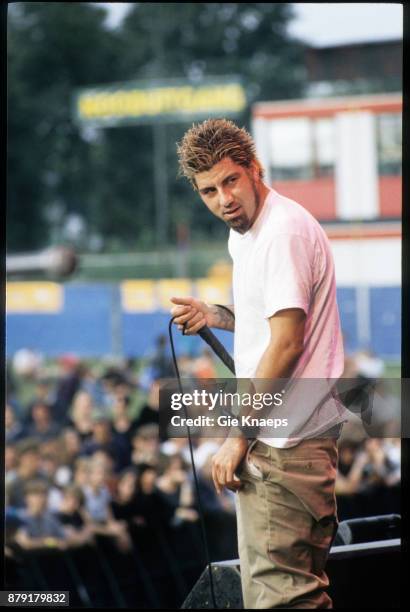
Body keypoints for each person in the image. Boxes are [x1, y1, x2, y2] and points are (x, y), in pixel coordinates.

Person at [171, 118, 347, 609]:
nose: (223, 199)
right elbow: (268, 324)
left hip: (286, 445)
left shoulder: (281, 233)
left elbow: (287, 345)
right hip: (285, 439)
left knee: (283, 602)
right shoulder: (247, 234)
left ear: (254, 169)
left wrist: (238, 436)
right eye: (209, 191)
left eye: (231, 180)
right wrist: (215, 316)